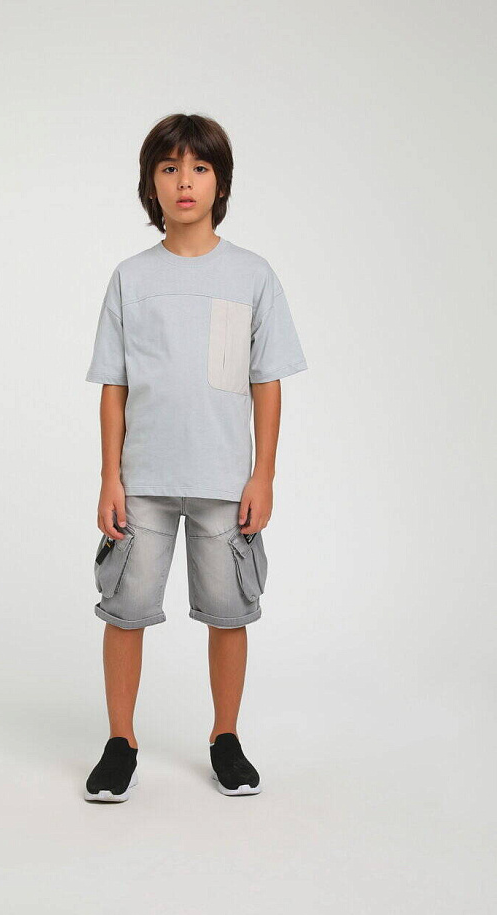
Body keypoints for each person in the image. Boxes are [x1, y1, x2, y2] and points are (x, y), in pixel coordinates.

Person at [83, 113, 308, 802]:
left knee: (228, 611)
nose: (185, 181)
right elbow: (114, 385)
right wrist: (109, 478)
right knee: (125, 608)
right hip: (143, 481)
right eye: (170, 167)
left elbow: (266, 382)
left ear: (220, 183)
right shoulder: (130, 278)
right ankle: (120, 741)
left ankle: (226, 737)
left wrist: (263, 474)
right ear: (151, 183)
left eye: (200, 167)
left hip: (223, 480)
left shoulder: (251, 275)